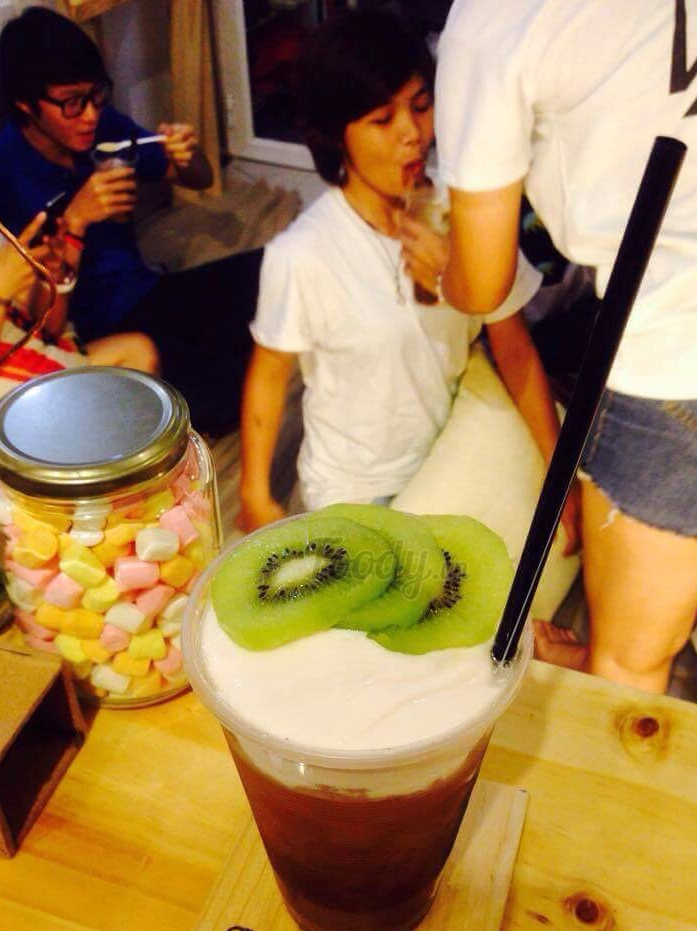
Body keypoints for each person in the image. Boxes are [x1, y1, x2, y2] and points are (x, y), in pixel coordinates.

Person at [424, 0, 697, 694]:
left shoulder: (496, 20)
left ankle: (620, 659)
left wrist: (439, 267)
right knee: (689, 539)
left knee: (627, 668)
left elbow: (482, 285)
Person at [239, 10, 580, 563]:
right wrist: (255, 491)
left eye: (421, 107)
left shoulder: (467, 217)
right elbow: (270, 373)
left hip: (453, 456)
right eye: (382, 119)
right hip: (354, 491)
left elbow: (514, 348)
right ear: (336, 136)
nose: (412, 135)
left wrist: (558, 471)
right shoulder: (302, 255)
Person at [0, 5, 261, 435]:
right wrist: (75, 220)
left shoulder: (103, 127)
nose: (90, 115)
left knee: (272, 272)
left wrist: (188, 154)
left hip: (150, 291)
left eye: (97, 96)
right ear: (25, 103)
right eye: (72, 103)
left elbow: (199, 178)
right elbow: (43, 323)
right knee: (214, 395)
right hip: (93, 330)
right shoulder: (2, 174)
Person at [0, 110, 157, 398]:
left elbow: (48, 327)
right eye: (72, 101)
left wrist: (52, 277)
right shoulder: (6, 169)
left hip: (42, 354)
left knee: (140, 352)